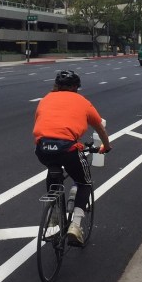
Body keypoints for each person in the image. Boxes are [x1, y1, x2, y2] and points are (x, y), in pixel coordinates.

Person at [33, 70, 111, 245]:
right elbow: (99, 127)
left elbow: (41, 122)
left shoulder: (45, 99)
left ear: (56, 86)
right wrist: (107, 145)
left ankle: (54, 216)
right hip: (68, 149)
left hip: (43, 148)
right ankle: (75, 226)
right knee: (84, 183)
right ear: (76, 88)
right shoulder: (83, 102)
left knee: (54, 172)